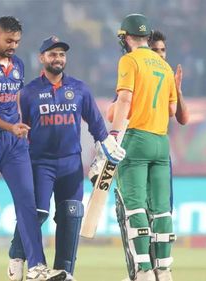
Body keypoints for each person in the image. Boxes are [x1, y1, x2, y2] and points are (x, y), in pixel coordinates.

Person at [7, 36, 125, 281]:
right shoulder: (29, 93)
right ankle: (17, 255)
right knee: (37, 213)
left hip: (71, 163)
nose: (58, 58)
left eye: (61, 54)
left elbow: (96, 124)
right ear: (42, 58)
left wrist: (107, 147)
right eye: (52, 54)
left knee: (71, 216)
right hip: (40, 163)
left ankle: (64, 271)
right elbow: (19, 131)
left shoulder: (79, 89)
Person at [0, 16, 66, 281]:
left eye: (17, 41)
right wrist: (9, 127)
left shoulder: (19, 65)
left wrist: (17, 128)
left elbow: (12, 103)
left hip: (14, 143)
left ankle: (36, 266)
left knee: (27, 203)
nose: (13, 46)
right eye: (9, 40)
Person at [111, 14, 177, 281]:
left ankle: (144, 270)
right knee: (161, 209)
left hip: (136, 139)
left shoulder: (129, 60)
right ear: (148, 38)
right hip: (161, 142)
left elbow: (125, 100)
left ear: (126, 38)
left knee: (135, 207)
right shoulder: (165, 66)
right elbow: (172, 109)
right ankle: (164, 268)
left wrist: (115, 134)